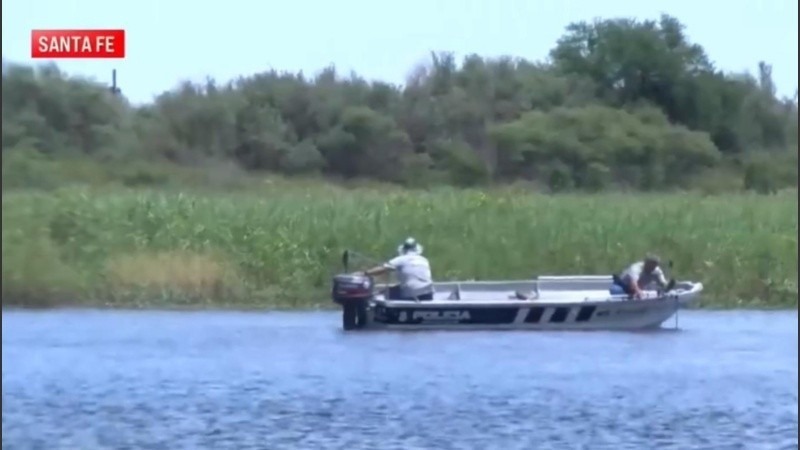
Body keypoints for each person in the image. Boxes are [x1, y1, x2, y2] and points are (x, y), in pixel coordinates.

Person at [363, 237, 434, 301]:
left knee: (389, 293)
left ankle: (390, 314)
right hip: (428, 294)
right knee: (392, 289)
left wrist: (365, 273)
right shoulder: (424, 260)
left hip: (411, 295)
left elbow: (382, 269)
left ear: (403, 249)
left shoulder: (400, 259)